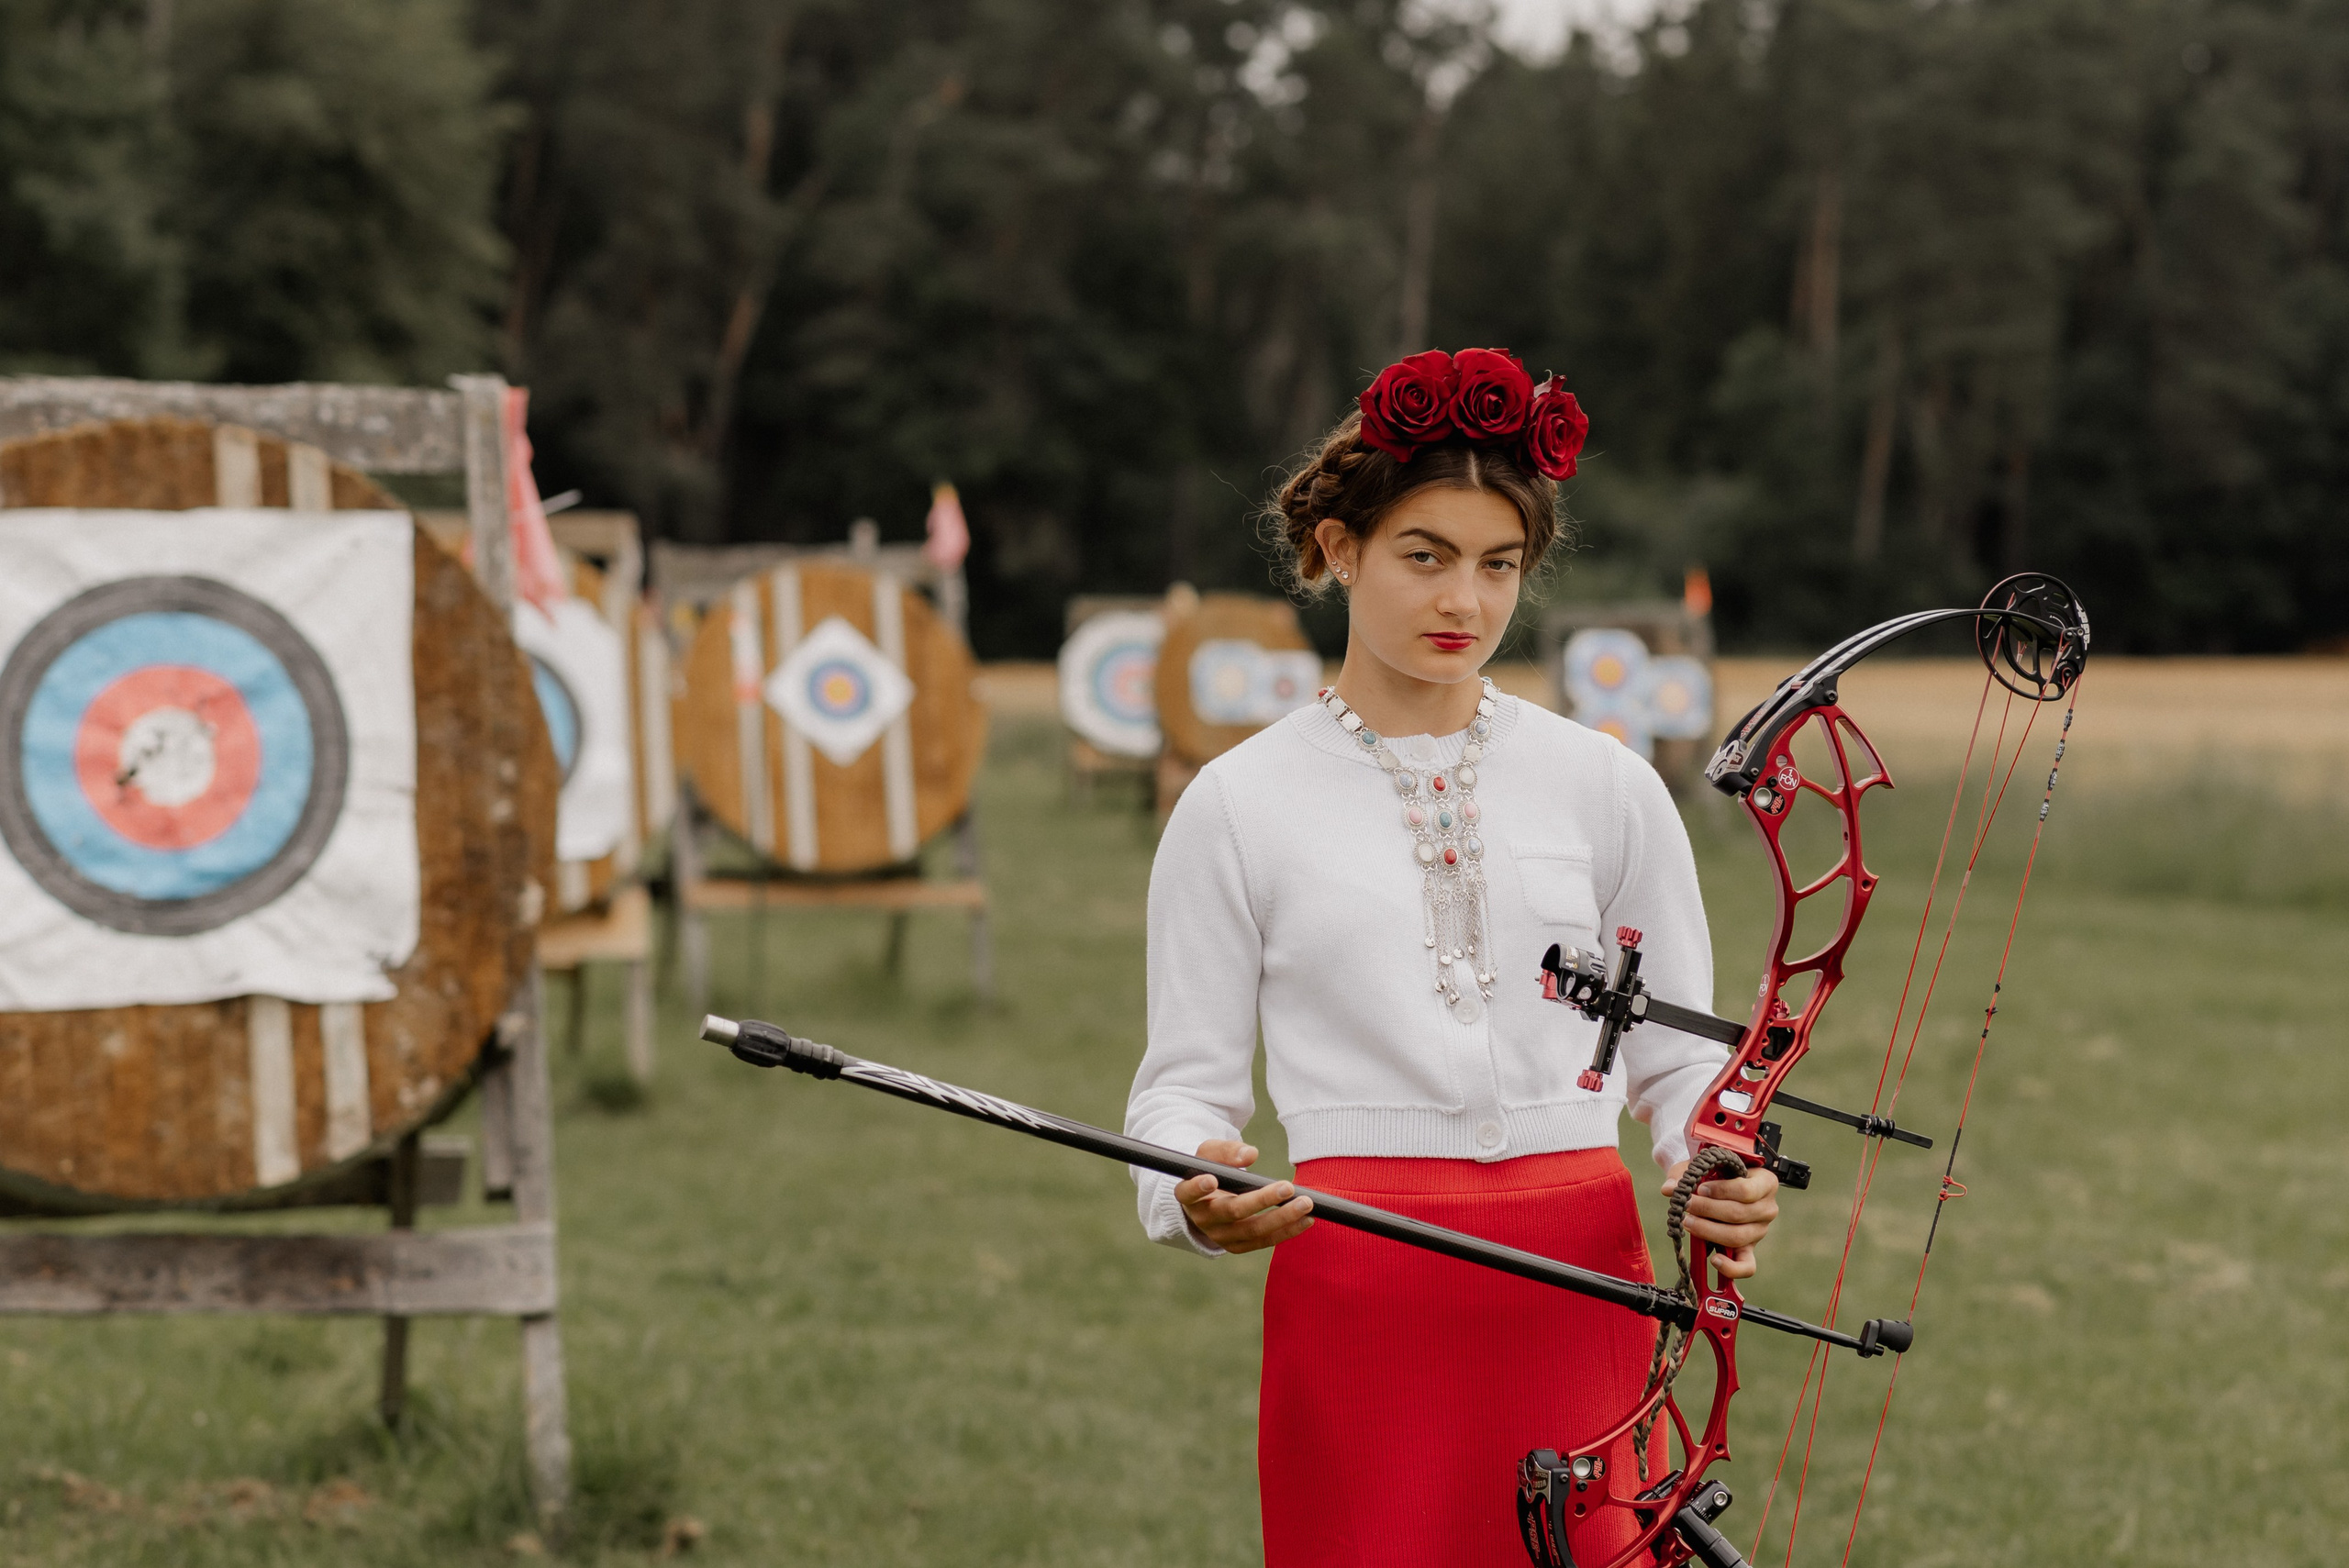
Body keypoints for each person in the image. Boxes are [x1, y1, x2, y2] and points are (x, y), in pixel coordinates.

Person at [1123, 350, 1781, 1566]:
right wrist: (1192, 1187)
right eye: (1425, 556)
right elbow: (1181, 1093)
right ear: (1340, 548)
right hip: (1360, 1287)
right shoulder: (1235, 805)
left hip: (1584, 1288)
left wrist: (1711, 1161)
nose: (1464, 602)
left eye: (1498, 565)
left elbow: (1681, 1057)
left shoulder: (1607, 786)